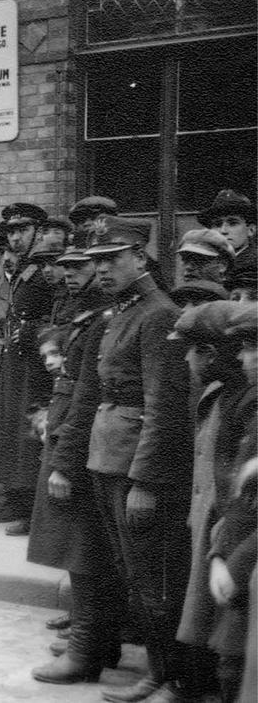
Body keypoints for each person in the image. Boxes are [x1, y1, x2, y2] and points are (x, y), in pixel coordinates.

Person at [82, 217, 206, 703]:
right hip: (109, 457)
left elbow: (164, 405)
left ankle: (170, 678)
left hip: (136, 466)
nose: (103, 268)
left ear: (140, 257)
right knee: (133, 574)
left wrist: (146, 482)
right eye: (97, 261)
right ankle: (159, 668)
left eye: (113, 258)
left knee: (154, 577)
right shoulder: (121, 312)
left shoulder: (157, 314)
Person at [28, 244, 120, 685]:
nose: (71, 275)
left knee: (83, 548)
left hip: (81, 445)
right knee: (79, 548)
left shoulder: (104, 318)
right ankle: (97, 641)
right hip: (71, 433)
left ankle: (88, 649)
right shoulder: (83, 314)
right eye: (66, 269)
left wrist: (64, 460)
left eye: (80, 268)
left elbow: (87, 396)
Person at [170, 301, 256, 703]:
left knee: (231, 638)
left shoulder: (246, 402)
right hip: (222, 531)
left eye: (251, 347)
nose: (244, 357)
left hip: (236, 537)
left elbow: (241, 486)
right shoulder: (224, 394)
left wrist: (226, 550)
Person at [0, 203, 56, 532]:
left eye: (23, 230)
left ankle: (31, 508)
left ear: (39, 232)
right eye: (12, 232)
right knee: (14, 429)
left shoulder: (46, 267)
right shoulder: (23, 267)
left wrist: (33, 333)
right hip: (18, 360)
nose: (15, 238)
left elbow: (54, 317)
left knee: (31, 433)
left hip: (37, 362)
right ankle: (17, 496)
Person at [198, 190, 256, 279]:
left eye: (233, 223)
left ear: (251, 230)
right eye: (217, 224)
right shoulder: (204, 266)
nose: (223, 231)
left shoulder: (254, 265)